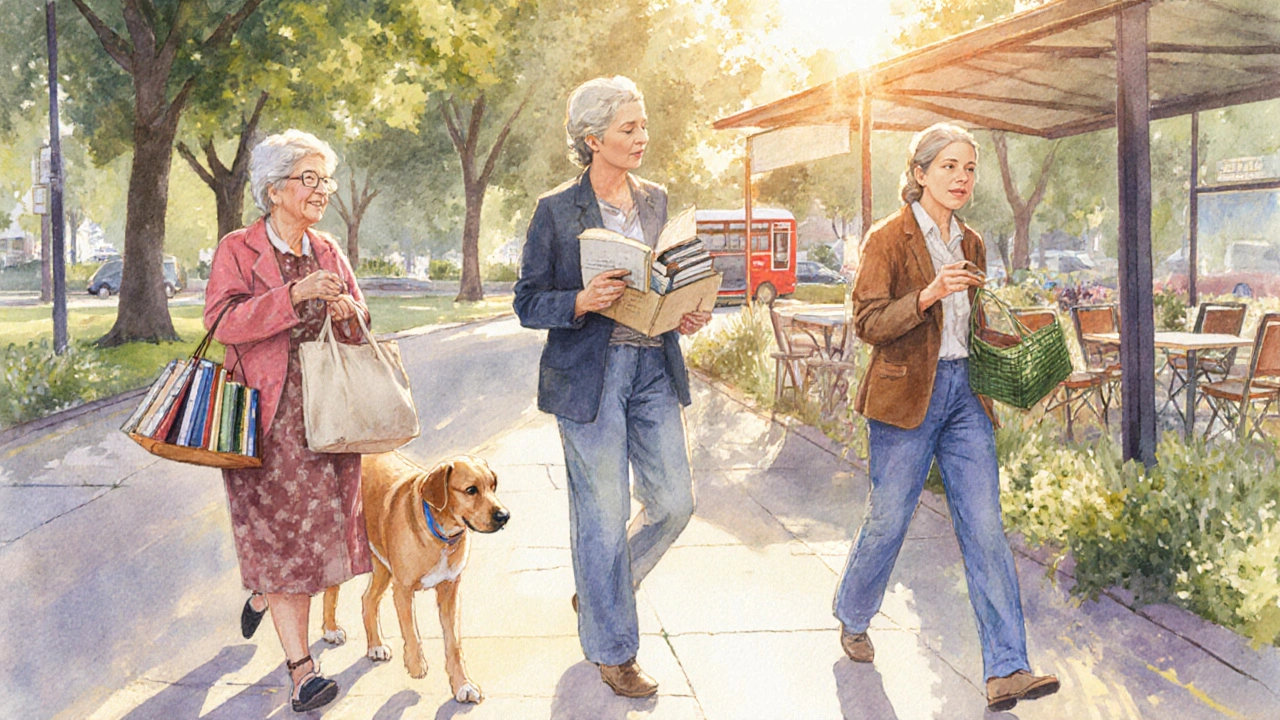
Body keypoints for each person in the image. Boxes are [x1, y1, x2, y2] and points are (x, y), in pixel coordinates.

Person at [832, 123, 1060, 713]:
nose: (962, 178)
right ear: (920, 174)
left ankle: (1007, 668)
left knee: (984, 526)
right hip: (905, 396)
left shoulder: (975, 242)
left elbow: (970, 327)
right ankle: (853, 615)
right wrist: (929, 294)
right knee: (888, 518)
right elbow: (867, 323)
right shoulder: (888, 238)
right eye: (949, 167)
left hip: (965, 396)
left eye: (969, 169)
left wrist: (1015, 350)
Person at [513, 76, 711, 698]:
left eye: (644, 126)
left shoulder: (657, 200)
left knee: (676, 502)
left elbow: (666, 277)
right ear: (592, 138)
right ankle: (613, 649)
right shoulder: (555, 209)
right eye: (629, 129)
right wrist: (578, 300)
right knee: (601, 517)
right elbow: (526, 302)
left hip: (655, 365)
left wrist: (687, 309)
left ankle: (600, 591)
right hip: (588, 379)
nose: (642, 138)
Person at [204, 129, 372, 714]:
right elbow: (222, 321)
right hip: (263, 420)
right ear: (274, 189)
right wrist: (294, 295)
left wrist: (344, 309)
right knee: (280, 541)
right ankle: (302, 673)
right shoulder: (238, 248)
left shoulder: (329, 248)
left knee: (313, 540)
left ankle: (261, 589)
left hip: (328, 420)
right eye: (309, 179)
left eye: (325, 180)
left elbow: (362, 319)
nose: (322, 190)